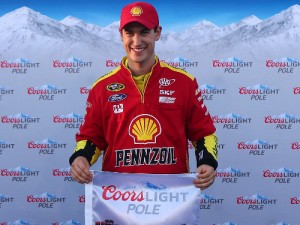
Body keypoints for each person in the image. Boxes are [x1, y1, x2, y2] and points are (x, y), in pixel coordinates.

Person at [69, 1, 218, 190]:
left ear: (157, 33)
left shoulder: (184, 82)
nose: (136, 41)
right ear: (121, 35)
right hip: (119, 198)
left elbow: (204, 134)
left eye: (144, 32)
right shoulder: (102, 87)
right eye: (129, 33)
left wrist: (207, 162)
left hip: (172, 196)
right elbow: (91, 138)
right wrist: (80, 158)